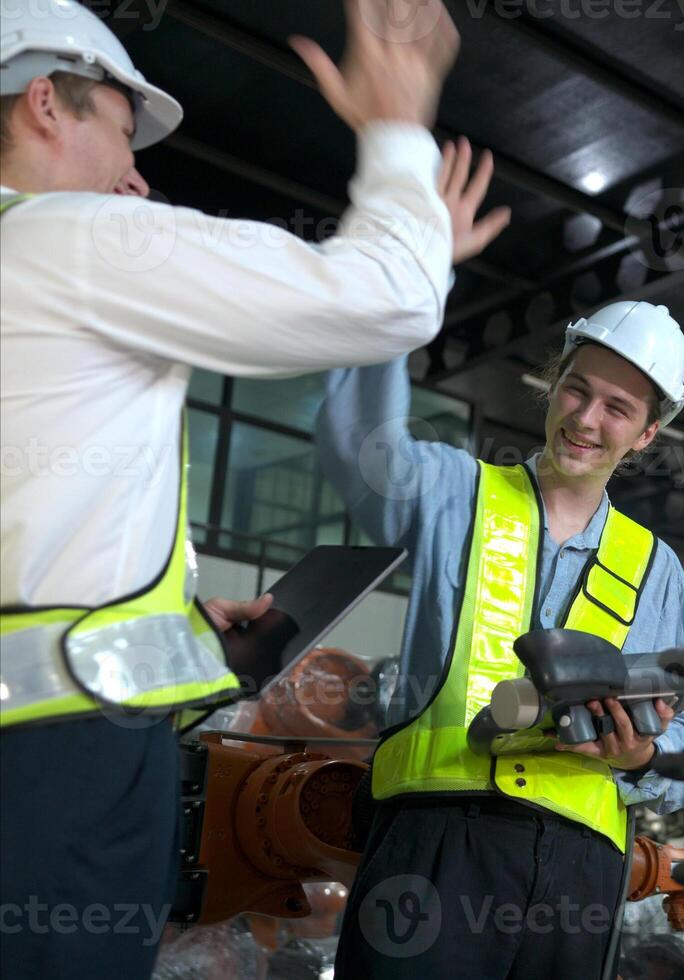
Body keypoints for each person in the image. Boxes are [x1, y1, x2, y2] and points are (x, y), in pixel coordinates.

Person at [0, 1, 461, 976]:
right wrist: (395, 134)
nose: (136, 176)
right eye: (121, 132)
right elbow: (388, 294)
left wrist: (180, 623)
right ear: (47, 103)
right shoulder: (68, 238)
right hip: (53, 769)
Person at [317, 293, 684, 979]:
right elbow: (358, 452)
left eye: (616, 408)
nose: (585, 420)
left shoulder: (657, 570)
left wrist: (643, 755)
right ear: (551, 388)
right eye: (575, 391)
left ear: (648, 434)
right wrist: (398, 291)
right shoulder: (452, 491)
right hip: (438, 840)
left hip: (580, 876)